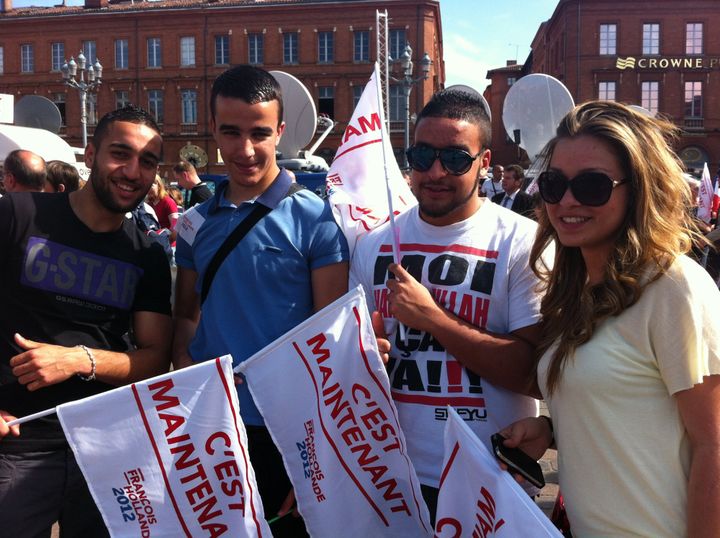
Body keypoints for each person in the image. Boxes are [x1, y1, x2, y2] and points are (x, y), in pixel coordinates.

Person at [499, 101, 720, 537]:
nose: (566, 201)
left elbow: (713, 446)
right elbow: (631, 405)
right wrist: (551, 427)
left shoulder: (673, 286)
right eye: (554, 183)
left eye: (592, 186)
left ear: (638, 189)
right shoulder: (575, 290)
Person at [350, 88, 544, 522]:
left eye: (455, 159)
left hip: (489, 477)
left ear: (485, 162)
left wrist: (433, 319)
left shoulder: (519, 242)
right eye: (422, 156)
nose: (435, 171)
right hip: (391, 476)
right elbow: (353, 365)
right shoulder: (374, 244)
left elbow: (534, 375)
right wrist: (366, 356)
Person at [172, 65, 349, 536]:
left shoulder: (316, 220)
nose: (245, 149)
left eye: (259, 133)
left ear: (281, 133)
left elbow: (327, 341)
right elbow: (185, 316)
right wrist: (186, 396)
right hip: (212, 425)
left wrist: (316, 451)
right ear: (213, 129)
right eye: (231, 132)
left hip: (285, 430)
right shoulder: (192, 223)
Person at [0, 105, 172, 537]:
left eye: (147, 161)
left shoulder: (147, 255)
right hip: (16, 444)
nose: (133, 171)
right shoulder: (18, 214)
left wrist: (78, 360)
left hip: (102, 447)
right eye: (120, 154)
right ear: (91, 153)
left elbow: (155, 357)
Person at [147, 175, 180, 241]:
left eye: (151, 185)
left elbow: (175, 227)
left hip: (167, 244)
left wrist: (166, 242)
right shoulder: (149, 204)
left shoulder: (168, 202)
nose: (148, 189)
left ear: (159, 186)